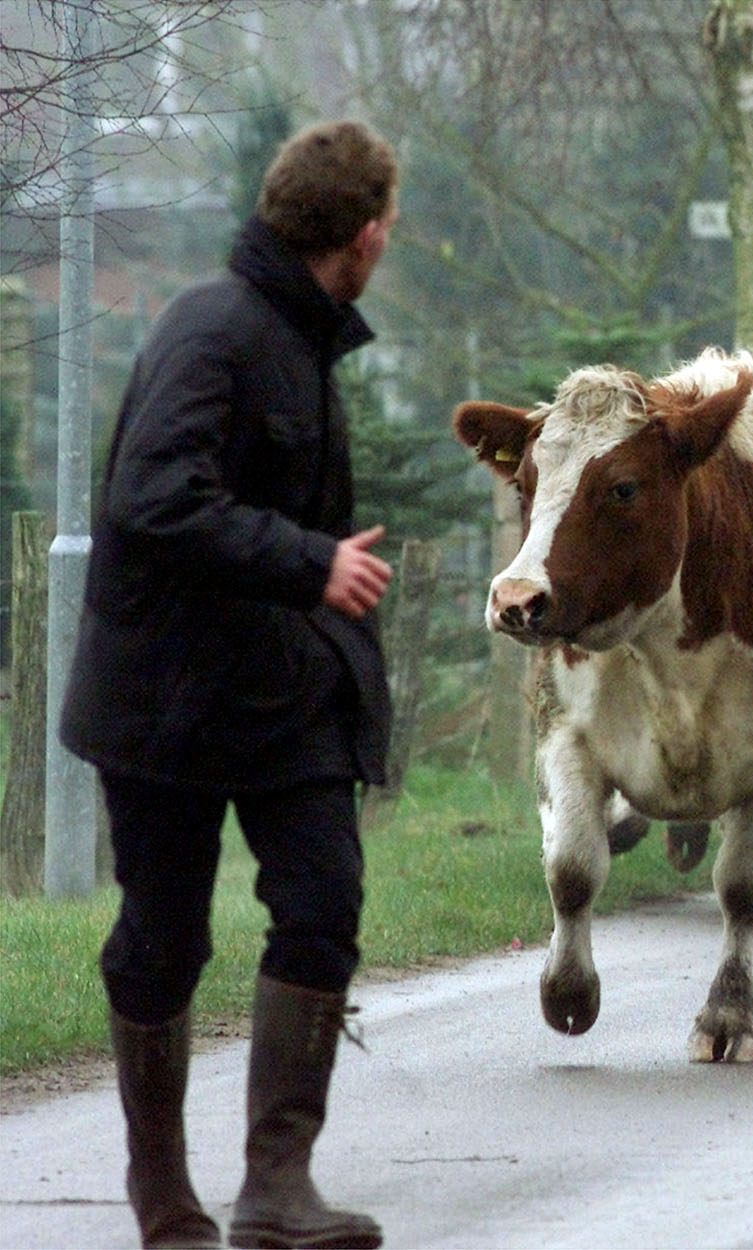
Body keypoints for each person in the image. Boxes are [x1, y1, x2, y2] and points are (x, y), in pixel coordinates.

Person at [60, 119, 399, 1250]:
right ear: (360, 235)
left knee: (322, 900)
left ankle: (277, 1189)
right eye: (385, 227)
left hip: (280, 690)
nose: (385, 243)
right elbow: (154, 498)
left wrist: (316, 587)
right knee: (163, 937)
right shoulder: (215, 329)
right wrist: (314, 560)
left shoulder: (300, 338)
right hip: (165, 698)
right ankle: (165, 1201)